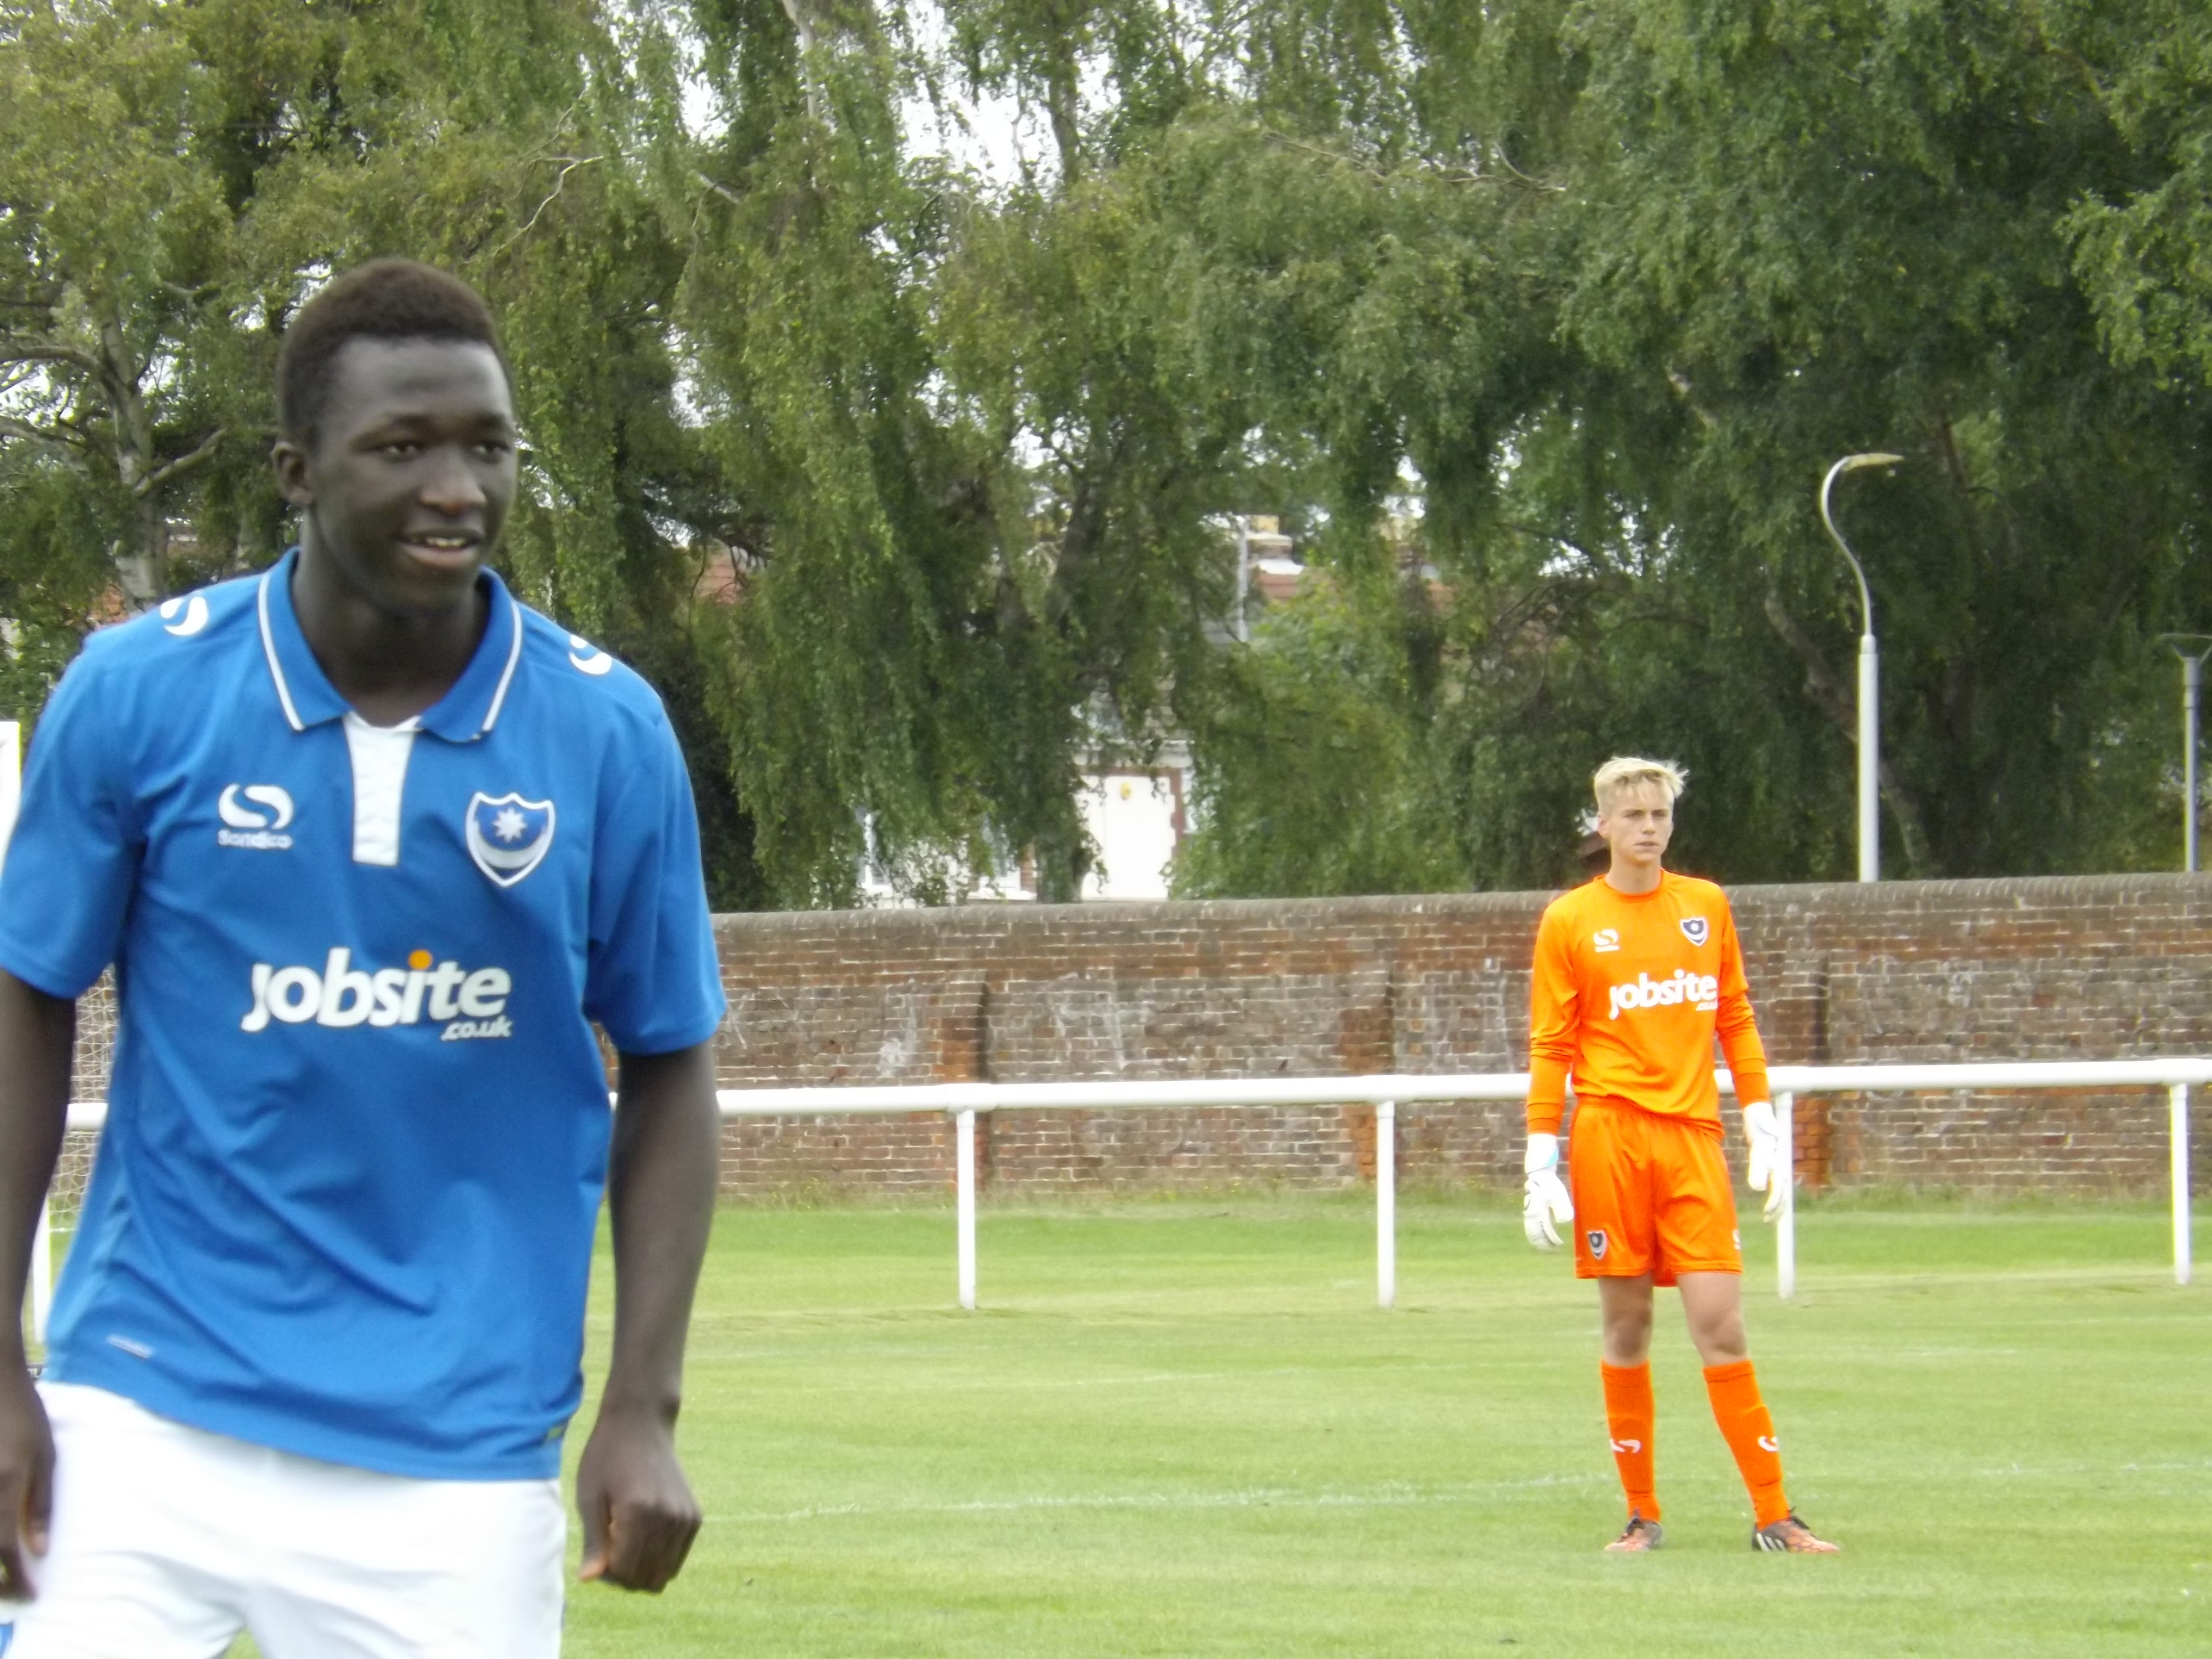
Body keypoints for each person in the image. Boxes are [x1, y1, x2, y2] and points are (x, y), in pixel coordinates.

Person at [0, 258, 729, 1654]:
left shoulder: (605, 731)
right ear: (297, 471)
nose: (457, 490)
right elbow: (26, 998)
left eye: (488, 447)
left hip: (453, 1453)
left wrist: (643, 1407)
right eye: (404, 448)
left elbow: (670, 1063)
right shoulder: (140, 691)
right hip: (146, 1405)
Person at [1521, 756, 1838, 1555]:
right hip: (1610, 1139)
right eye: (1633, 815)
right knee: (1627, 1325)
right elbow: (1552, 1043)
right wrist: (1539, 1157)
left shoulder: (1705, 905)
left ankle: (1775, 1516)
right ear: (1603, 825)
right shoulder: (1570, 920)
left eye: (1659, 814)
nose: (1649, 827)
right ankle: (1642, 1515)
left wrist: (1760, 1119)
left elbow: (1734, 1016)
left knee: (1719, 1322)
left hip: (1694, 1140)